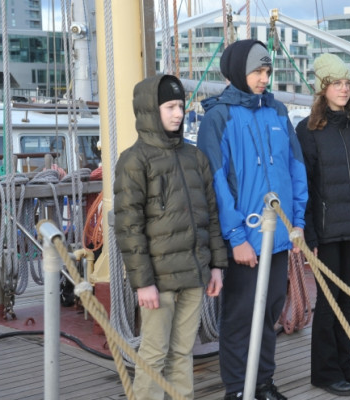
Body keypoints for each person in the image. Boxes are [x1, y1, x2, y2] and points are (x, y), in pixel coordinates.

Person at [196, 39, 308, 400]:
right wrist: (236, 237)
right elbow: (216, 182)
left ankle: (262, 383)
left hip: (279, 236)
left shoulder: (277, 112)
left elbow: (296, 168)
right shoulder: (218, 118)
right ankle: (236, 389)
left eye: (267, 71)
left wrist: (297, 223)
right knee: (241, 315)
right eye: (257, 71)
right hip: (245, 239)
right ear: (236, 72)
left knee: (271, 309)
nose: (264, 78)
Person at [114, 74, 227, 399]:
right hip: (159, 280)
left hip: (194, 274)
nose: (178, 113)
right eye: (170, 107)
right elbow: (129, 227)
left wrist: (216, 266)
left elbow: (211, 216)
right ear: (152, 110)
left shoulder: (195, 158)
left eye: (181, 106)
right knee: (154, 353)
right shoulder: (134, 161)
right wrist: (143, 283)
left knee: (182, 352)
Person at [296, 54, 350, 397]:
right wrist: (310, 235)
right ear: (323, 89)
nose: (344, 89)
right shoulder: (308, 131)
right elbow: (304, 186)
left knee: (347, 301)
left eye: (347, 83)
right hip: (327, 231)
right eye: (336, 84)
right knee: (328, 303)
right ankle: (325, 371)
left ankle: (345, 363)